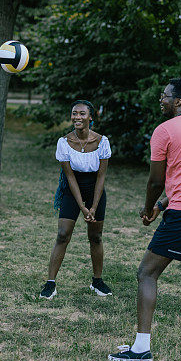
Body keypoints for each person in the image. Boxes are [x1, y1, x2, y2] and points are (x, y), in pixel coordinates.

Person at [109, 78, 181, 361]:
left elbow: (156, 180)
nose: (161, 99)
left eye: (165, 95)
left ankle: (141, 348)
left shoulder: (165, 130)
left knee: (147, 273)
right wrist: (162, 205)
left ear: (178, 101)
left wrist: (149, 208)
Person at [39, 100, 113, 299]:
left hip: (95, 191)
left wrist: (94, 206)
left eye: (82, 113)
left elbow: (101, 177)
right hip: (72, 191)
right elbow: (70, 177)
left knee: (95, 237)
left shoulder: (102, 142)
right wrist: (82, 206)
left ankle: (97, 281)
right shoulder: (64, 142)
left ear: (91, 117)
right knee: (63, 234)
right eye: (74, 113)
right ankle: (50, 283)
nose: (77, 117)